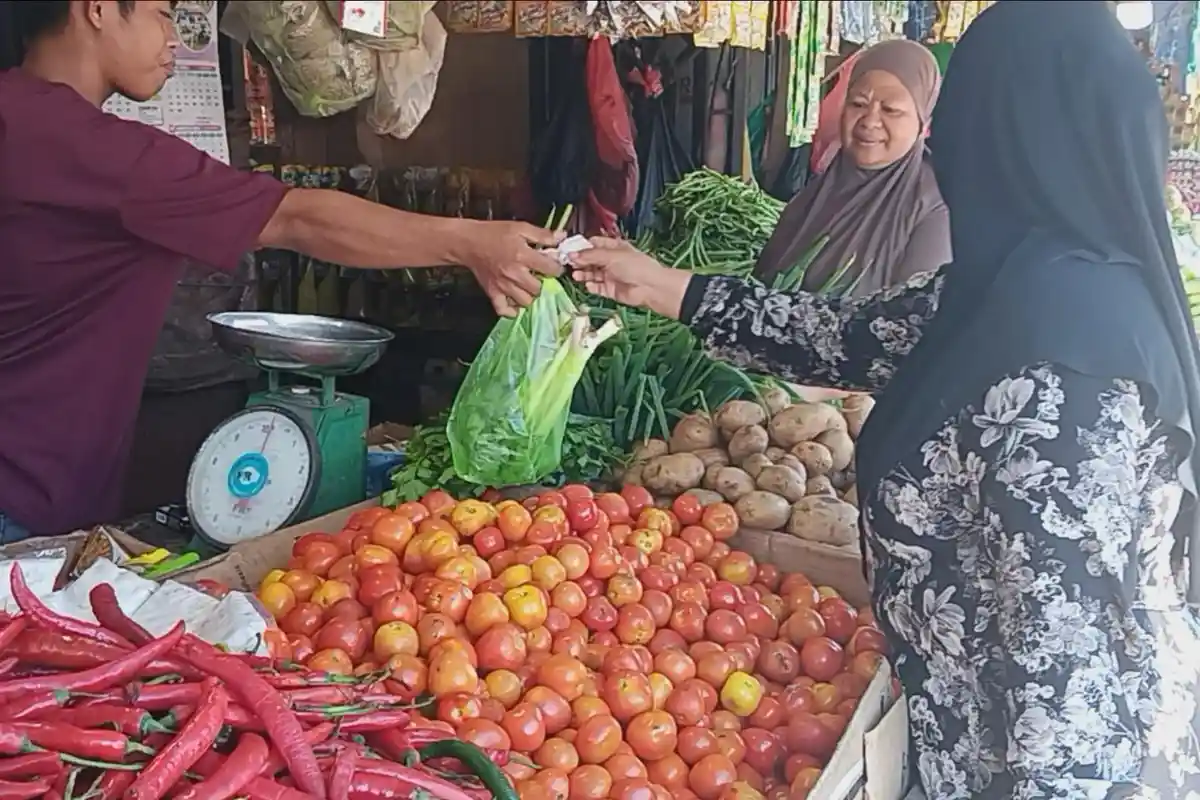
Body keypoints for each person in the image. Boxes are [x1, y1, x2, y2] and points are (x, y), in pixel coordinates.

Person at [572, 3, 1200, 797]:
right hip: (959, 735)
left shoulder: (1071, 378)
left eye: (960, 119)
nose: (943, 145)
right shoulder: (1013, 286)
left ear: (1014, 139)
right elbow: (847, 336)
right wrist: (657, 283)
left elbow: (1063, 696)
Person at [0, 0, 564, 542]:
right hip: (23, 488)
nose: (175, 38)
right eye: (163, 14)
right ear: (97, 8)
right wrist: (471, 242)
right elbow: (296, 218)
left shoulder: (19, 115)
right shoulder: (88, 149)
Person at [753, 39, 949, 299]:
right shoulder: (816, 195)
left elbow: (916, 321)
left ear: (923, 123)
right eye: (858, 103)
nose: (869, 121)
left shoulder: (934, 210)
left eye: (891, 110)